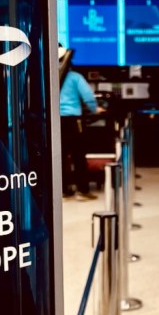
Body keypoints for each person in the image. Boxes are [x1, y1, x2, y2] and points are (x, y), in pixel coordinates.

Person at [59, 46, 100, 200]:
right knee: (78, 156)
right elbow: (88, 97)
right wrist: (95, 109)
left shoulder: (49, 75)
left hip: (56, 122)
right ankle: (82, 190)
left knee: (60, 156)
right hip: (73, 121)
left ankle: (62, 190)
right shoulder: (75, 77)